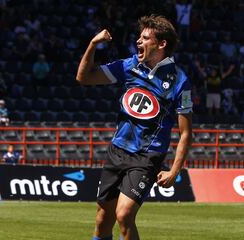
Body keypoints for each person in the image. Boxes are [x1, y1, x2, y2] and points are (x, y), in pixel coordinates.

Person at [76, 15, 192, 240]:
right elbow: (84, 78)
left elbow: (186, 132)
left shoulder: (179, 81)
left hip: (146, 157)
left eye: (145, 37)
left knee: (124, 214)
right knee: (102, 221)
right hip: (117, 151)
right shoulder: (130, 66)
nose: (138, 41)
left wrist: (175, 171)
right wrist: (93, 45)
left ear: (161, 44)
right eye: (139, 37)